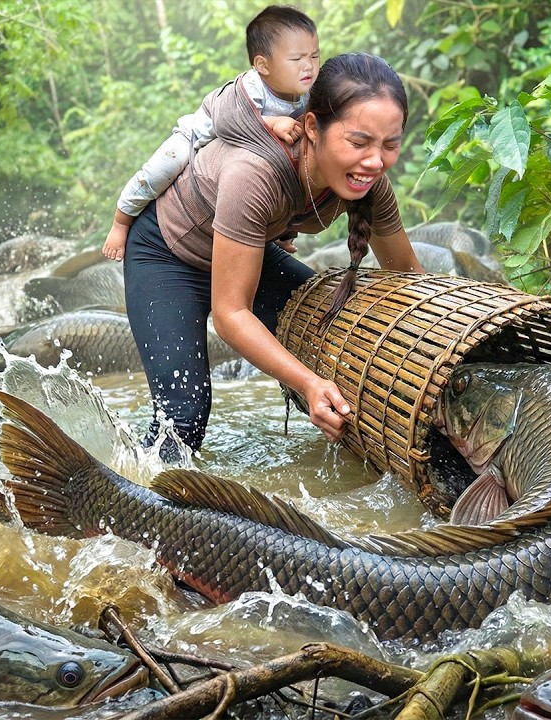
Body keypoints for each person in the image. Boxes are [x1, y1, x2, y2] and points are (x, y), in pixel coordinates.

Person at [112, 52, 424, 462]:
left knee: (337, 349)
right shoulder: (255, 173)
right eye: (359, 142)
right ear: (312, 127)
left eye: (390, 145)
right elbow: (231, 315)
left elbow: (408, 277)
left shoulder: (371, 185)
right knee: (184, 415)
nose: (374, 161)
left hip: (246, 253)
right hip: (168, 256)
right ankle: (130, 498)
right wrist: (309, 384)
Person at [103, 5, 318, 260]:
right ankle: (122, 220)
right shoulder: (251, 86)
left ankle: (279, 236)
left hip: (249, 159)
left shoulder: (304, 95)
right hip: (196, 138)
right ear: (262, 65)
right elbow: (229, 121)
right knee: (162, 168)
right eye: (296, 59)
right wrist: (271, 122)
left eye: (314, 56)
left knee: (292, 180)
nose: (308, 66)